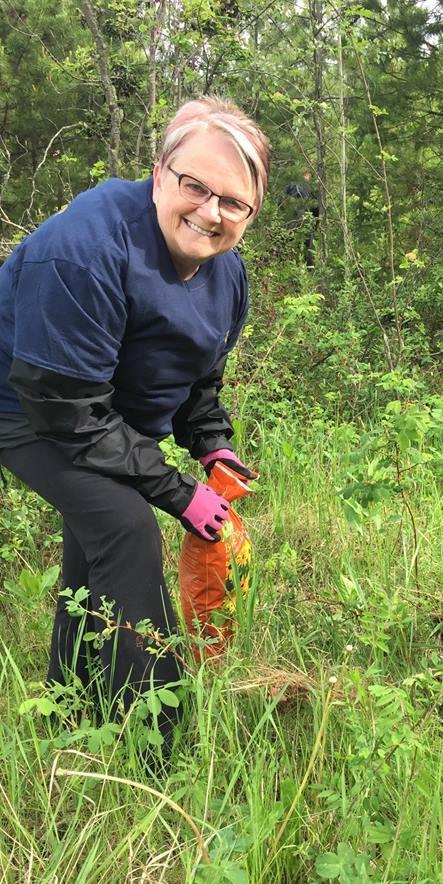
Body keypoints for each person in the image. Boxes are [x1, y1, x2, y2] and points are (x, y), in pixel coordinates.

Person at [0, 96, 270, 746]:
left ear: (250, 213)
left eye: (233, 202)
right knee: (125, 529)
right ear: (158, 175)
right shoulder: (83, 250)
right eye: (195, 187)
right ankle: (158, 738)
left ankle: (68, 705)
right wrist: (179, 496)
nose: (211, 212)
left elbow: (197, 375)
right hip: (25, 404)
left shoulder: (225, 273)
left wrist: (212, 447)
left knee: (95, 546)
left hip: (98, 407)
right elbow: (65, 410)